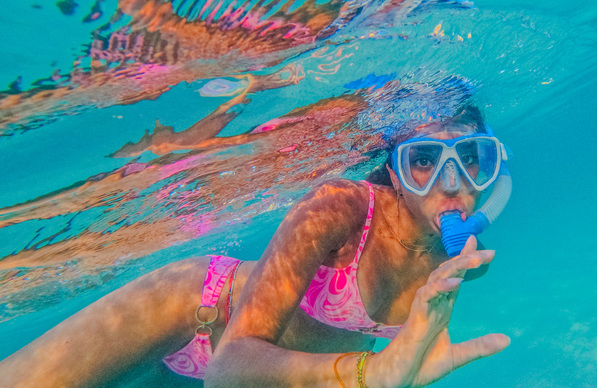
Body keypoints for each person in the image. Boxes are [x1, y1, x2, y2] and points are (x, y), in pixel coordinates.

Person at [0, 103, 511, 387]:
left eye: (470, 156)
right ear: (394, 172)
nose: (451, 182)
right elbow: (228, 366)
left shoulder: (460, 251)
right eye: (423, 159)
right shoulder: (341, 206)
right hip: (190, 312)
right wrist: (369, 372)